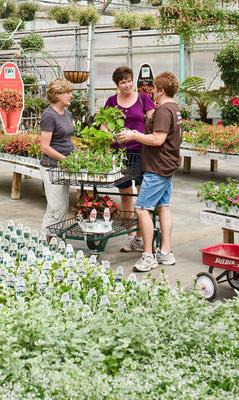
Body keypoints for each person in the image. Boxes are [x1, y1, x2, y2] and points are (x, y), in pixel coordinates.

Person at [114, 72, 182, 272]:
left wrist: (134, 135)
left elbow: (158, 139)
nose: (151, 90)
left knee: (142, 209)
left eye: (153, 88)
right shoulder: (174, 109)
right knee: (164, 206)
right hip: (168, 165)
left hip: (157, 167)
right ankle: (165, 253)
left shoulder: (162, 111)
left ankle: (148, 255)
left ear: (161, 91)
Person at [103, 66, 155, 252]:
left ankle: (141, 237)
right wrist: (110, 137)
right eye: (122, 82)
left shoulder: (143, 99)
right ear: (116, 85)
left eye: (129, 80)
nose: (127, 84)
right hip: (120, 154)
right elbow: (104, 126)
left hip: (141, 153)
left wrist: (136, 135)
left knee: (142, 195)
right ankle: (130, 236)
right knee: (125, 194)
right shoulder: (111, 101)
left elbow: (153, 124)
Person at [39, 78, 74, 240]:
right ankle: (46, 244)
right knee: (55, 207)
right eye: (68, 92)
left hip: (64, 166)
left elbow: (66, 140)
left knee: (62, 207)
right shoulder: (49, 115)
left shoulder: (67, 114)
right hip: (51, 166)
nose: (71, 96)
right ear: (57, 94)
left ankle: (53, 242)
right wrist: (64, 159)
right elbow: (45, 147)